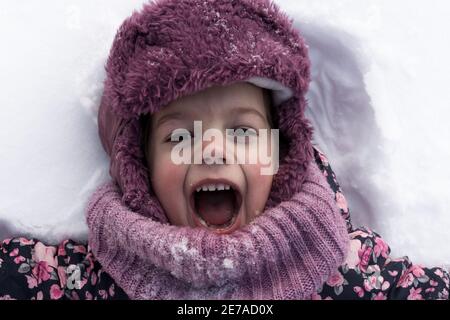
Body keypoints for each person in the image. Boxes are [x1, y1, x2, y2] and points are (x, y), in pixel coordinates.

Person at [0, 0, 448, 300]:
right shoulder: (89, 278)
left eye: (243, 132)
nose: (213, 148)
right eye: (179, 137)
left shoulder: (344, 268)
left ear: (281, 155)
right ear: (141, 168)